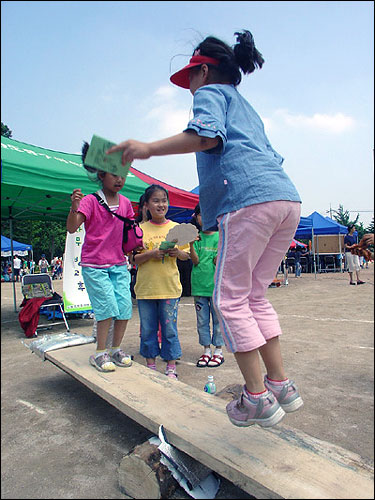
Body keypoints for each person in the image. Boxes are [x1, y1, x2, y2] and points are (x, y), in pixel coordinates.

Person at [107, 30, 303, 427]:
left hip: (246, 201)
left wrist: (145, 148)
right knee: (254, 296)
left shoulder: (211, 93)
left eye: (190, 78)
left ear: (204, 70)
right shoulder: (248, 107)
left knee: (229, 301)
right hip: (286, 199)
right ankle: (281, 383)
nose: (189, 88)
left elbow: (206, 136)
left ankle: (257, 398)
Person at [66, 141, 134, 373]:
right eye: (114, 174)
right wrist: (74, 206)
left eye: (123, 175)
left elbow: (129, 232)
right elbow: (73, 228)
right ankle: (99, 352)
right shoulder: (90, 201)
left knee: (124, 307)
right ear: (101, 175)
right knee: (106, 307)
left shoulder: (125, 203)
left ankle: (116, 349)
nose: (119, 179)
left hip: (118, 263)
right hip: (94, 265)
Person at [132, 184, 191, 379]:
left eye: (164, 200)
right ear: (147, 205)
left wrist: (177, 252)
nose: (161, 204)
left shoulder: (176, 228)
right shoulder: (138, 229)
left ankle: (171, 366)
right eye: (156, 201)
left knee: (169, 329)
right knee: (147, 328)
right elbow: (133, 259)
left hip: (170, 288)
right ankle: (151, 365)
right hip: (146, 289)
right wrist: (151, 254)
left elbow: (186, 256)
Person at [189, 203, 224, 368]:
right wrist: (190, 245)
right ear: (196, 217)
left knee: (218, 321)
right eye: (201, 214)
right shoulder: (196, 237)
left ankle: (218, 350)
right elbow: (195, 261)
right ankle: (206, 350)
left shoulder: (219, 237)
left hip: (216, 288)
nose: (205, 218)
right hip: (198, 286)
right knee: (202, 321)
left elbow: (218, 262)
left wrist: (223, 248)